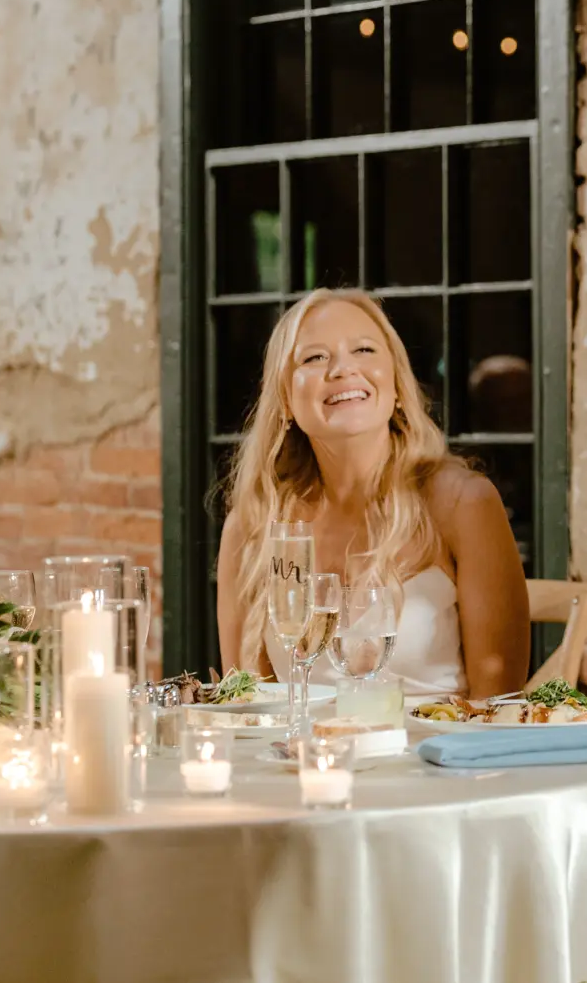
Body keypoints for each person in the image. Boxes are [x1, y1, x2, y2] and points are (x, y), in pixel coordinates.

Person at [215, 288, 531, 698]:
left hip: (441, 758)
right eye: (314, 357)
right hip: (304, 761)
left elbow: (499, 706)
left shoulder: (462, 503)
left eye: (364, 350)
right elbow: (247, 706)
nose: (342, 369)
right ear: (286, 401)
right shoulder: (254, 525)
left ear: (397, 384)